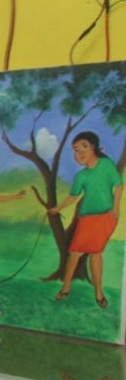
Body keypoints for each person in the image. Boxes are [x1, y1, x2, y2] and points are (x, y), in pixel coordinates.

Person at [50, 131, 122, 307]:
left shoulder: (106, 165)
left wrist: (116, 207)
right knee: (74, 254)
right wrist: (57, 208)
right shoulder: (81, 176)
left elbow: (119, 185)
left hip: (105, 217)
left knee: (96, 254)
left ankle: (99, 293)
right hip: (86, 219)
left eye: (84, 147)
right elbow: (73, 197)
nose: (79, 152)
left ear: (94, 147)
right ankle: (65, 288)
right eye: (75, 149)